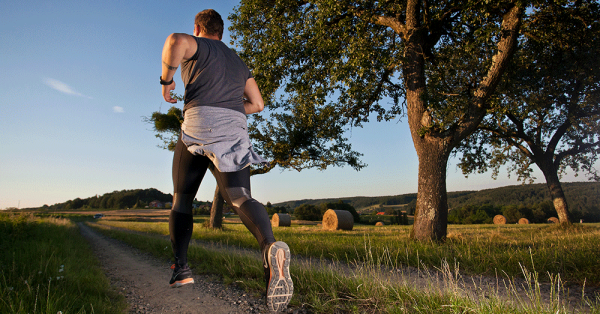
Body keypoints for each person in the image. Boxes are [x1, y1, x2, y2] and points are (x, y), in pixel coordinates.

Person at [159, 9, 293, 312]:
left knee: (182, 199)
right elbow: (257, 104)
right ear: (223, 31)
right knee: (239, 196)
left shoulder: (199, 45)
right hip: (235, 126)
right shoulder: (237, 61)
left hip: (199, 122)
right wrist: (229, 107)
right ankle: (270, 246)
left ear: (199, 28)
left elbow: (174, 41)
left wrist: (166, 81)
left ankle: (181, 268)